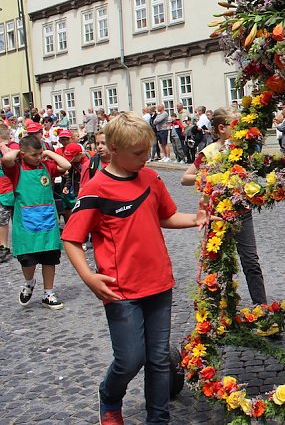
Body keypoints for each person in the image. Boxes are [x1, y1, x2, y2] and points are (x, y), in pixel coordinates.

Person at [61, 112, 212, 425]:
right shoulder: (96, 188)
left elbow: (165, 216)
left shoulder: (151, 178)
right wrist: (88, 277)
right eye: (138, 154)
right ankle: (109, 396)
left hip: (159, 282)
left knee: (158, 359)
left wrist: (196, 219)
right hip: (120, 288)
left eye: (148, 151)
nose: (146, 158)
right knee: (130, 359)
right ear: (114, 149)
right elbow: (72, 239)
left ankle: (158, 418)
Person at [182, 108, 268, 307]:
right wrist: (209, 177)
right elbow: (185, 178)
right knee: (220, 262)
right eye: (235, 126)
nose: (239, 131)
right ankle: (223, 309)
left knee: (251, 261)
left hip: (241, 212)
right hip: (217, 215)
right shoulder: (209, 152)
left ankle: (262, 309)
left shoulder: (242, 149)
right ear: (222, 128)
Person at [1, 134, 72, 310]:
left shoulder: (46, 166)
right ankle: (29, 282)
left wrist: (48, 151)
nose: (39, 157)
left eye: (40, 154)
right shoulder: (16, 169)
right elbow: (7, 158)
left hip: (47, 220)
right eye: (34, 155)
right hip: (26, 222)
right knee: (28, 260)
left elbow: (66, 165)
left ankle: (48, 293)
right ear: (23, 154)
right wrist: (19, 152)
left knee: (50, 259)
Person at [0, 123, 18, 263]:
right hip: (3, 189)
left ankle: (12, 246)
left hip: (12, 188)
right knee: (2, 220)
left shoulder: (13, 147)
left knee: (15, 219)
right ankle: (4, 246)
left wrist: (3, 146)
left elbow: (12, 160)